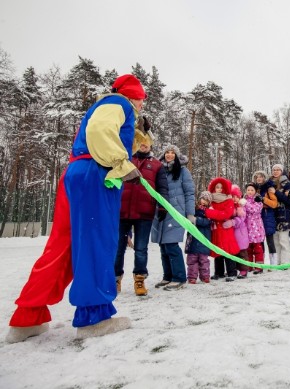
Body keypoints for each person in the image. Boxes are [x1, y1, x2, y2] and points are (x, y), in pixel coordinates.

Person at [5, 74, 146, 343]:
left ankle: (27, 318)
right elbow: (100, 132)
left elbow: (98, 131)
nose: (141, 106)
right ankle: (95, 317)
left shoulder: (107, 105)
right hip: (98, 174)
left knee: (63, 244)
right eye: (142, 100)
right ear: (135, 95)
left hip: (77, 172)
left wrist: (134, 139)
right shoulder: (119, 102)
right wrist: (122, 163)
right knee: (96, 242)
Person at [114, 116, 169, 296]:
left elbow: (162, 188)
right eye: (141, 143)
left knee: (140, 248)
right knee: (118, 247)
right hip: (121, 211)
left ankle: (139, 278)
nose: (143, 146)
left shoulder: (157, 165)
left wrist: (162, 207)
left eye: (146, 144)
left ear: (151, 146)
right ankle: (115, 278)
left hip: (144, 213)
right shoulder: (125, 160)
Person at [150, 145, 194, 291]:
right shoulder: (159, 170)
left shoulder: (182, 171)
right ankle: (168, 276)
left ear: (176, 155)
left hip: (176, 212)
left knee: (171, 245)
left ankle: (179, 277)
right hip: (161, 212)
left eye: (172, 153)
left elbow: (189, 193)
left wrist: (190, 213)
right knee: (163, 245)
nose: (169, 155)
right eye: (167, 153)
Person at [206, 177, 240, 281]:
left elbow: (226, 214)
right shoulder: (211, 200)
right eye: (217, 187)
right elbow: (207, 212)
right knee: (218, 251)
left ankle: (232, 272)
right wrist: (213, 214)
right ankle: (219, 272)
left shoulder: (228, 200)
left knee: (228, 251)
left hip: (225, 229)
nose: (219, 189)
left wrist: (211, 213)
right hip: (216, 229)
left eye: (221, 187)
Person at [184, 191, 213, 284]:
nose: (204, 201)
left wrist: (196, 220)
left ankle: (205, 276)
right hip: (193, 239)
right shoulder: (193, 209)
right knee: (192, 260)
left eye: (206, 200)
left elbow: (207, 222)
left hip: (203, 239)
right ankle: (192, 277)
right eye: (203, 199)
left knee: (203, 260)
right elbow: (188, 218)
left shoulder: (209, 212)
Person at [253, 171, 278, 267]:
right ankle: (260, 264)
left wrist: (263, 199)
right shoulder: (254, 189)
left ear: (264, 178)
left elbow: (274, 204)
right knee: (259, 242)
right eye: (257, 177)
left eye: (261, 177)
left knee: (270, 241)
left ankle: (273, 264)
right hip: (256, 219)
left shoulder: (268, 189)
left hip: (268, 217)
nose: (259, 178)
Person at [271, 164, 290, 265]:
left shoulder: (287, 183)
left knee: (283, 241)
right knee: (276, 241)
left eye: (278, 170)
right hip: (273, 216)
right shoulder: (270, 183)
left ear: (282, 171)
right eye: (274, 170)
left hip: (284, 215)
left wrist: (276, 192)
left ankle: (287, 263)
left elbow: (289, 201)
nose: (275, 172)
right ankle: (278, 263)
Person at [244, 183, 266, 274]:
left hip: (256, 228)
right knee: (248, 249)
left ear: (255, 191)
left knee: (258, 248)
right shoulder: (244, 199)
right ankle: (249, 266)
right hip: (247, 228)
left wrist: (245, 203)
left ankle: (259, 266)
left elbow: (254, 210)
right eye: (248, 190)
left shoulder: (258, 200)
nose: (250, 192)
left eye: (252, 190)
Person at [230, 185, 250, 279]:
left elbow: (241, 218)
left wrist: (233, 222)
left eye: (236, 197)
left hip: (241, 234)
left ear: (239, 197)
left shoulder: (241, 207)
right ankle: (237, 269)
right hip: (232, 234)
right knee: (235, 252)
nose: (234, 199)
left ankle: (244, 270)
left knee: (242, 253)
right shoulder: (230, 207)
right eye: (232, 196)